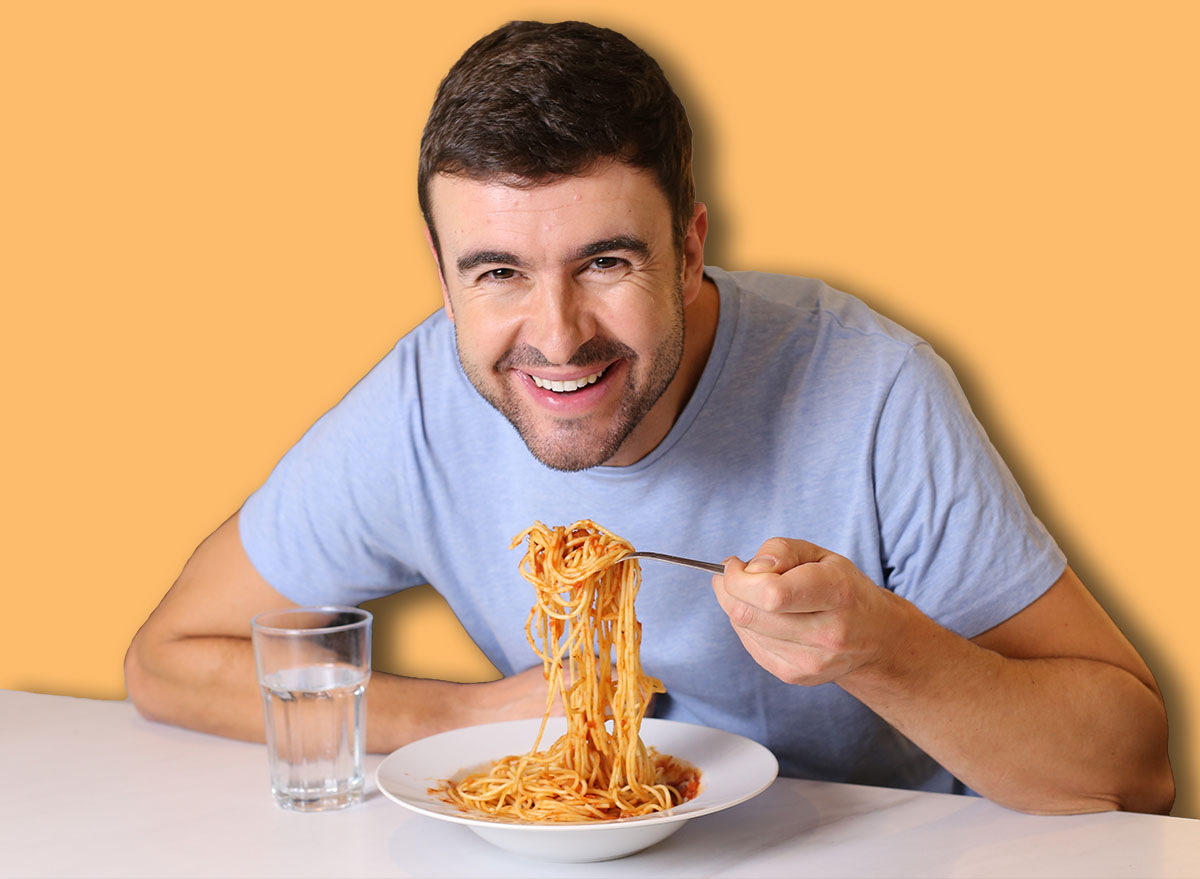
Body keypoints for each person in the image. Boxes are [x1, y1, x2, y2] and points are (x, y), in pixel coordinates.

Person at [124, 19, 1174, 815]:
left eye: (607, 263)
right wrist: (460, 715)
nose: (557, 335)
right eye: (497, 272)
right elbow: (168, 660)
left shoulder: (869, 389)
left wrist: (883, 649)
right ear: (444, 283)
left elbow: (1134, 771)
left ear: (688, 248)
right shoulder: (420, 401)